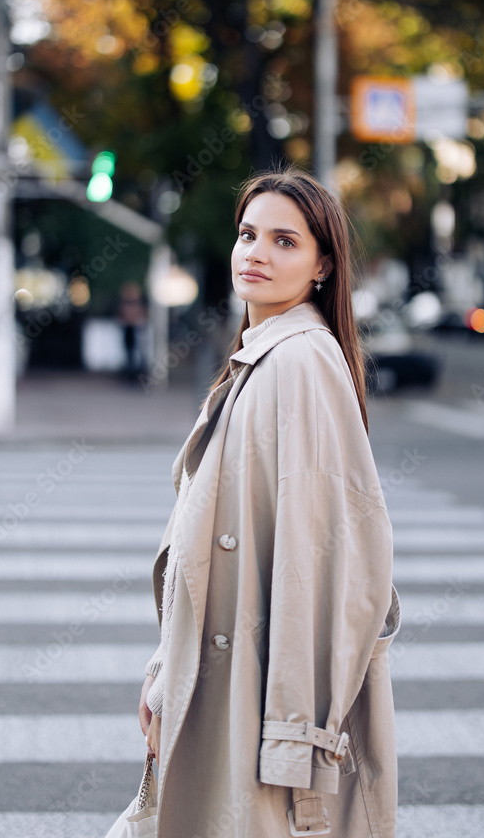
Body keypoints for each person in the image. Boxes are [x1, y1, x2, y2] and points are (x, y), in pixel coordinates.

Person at [136, 166, 401, 838]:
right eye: (248, 234)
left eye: (285, 241)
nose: (255, 253)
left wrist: (293, 736)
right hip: (225, 686)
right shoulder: (264, 358)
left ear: (323, 266)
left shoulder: (299, 362)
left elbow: (322, 564)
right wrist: (166, 677)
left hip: (255, 698)